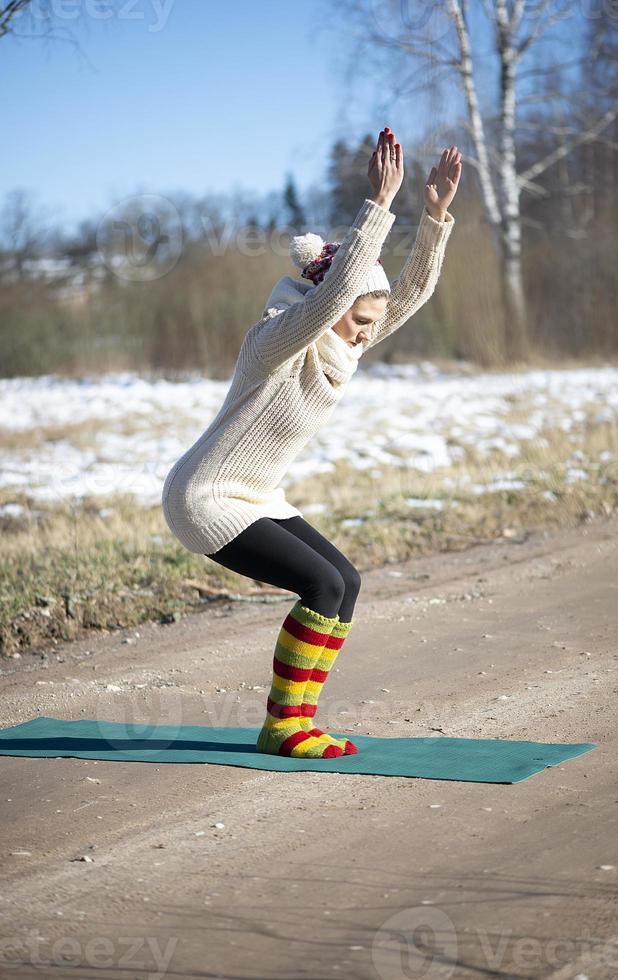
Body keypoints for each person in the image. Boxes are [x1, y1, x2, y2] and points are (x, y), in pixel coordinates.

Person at [161, 128, 461, 759]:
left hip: (259, 494)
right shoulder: (275, 341)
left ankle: (297, 720)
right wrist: (378, 206)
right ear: (335, 306)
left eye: (369, 328)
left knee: (344, 582)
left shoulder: (340, 344)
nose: (363, 338)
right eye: (358, 321)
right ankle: (282, 726)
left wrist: (434, 217)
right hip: (207, 496)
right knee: (320, 587)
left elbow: (409, 295)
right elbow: (330, 301)